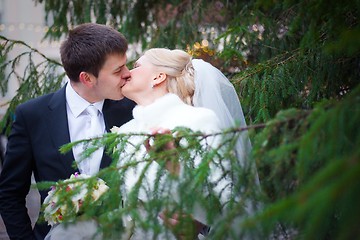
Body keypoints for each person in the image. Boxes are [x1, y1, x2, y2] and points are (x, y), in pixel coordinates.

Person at [0, 23, 136, 240]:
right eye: (118, 70)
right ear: (87, 78)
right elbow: (10, 193)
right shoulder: (32, 115)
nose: (128, 75)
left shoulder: (133, 111)